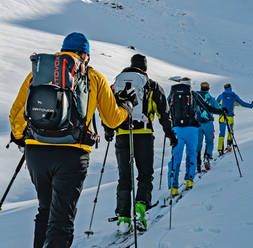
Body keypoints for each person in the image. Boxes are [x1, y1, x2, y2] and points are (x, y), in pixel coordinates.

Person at [8, 32, 135, 248]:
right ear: (86, 55)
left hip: (37, 153)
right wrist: (127, 107)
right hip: (72, 154)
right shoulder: (93, 77)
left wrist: (22, 138)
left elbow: (16, 113)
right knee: (62, 220)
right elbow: (112, 120)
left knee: (45, 210)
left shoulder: (38, 74)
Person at [104, 54, 177, 231]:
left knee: (124, 177)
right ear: (144, 67)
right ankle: (140, 211)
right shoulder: (151, 85)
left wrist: (108, 131)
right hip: (143, 134)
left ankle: (123, 218)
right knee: (145, 174)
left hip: (122, 134)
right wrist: (170, 134)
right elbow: (164, 114)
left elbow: (108, 108)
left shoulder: (117, 84)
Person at [168, 77, 224, 196]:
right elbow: (208, 108)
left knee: (175, 156)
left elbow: (166, 109)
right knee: (191, 154)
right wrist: (221, 111)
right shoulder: (193, 95)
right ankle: (189, 180)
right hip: (192, 129)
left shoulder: (172, 94)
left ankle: (173, 186)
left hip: (176, 129)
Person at [216, 83, 253, 156]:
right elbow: (242, 103)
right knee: (230, 131)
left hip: (222, 117)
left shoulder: (221, 96)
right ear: (230, 88)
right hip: (230, 117)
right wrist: (251, 105)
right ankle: (229, 145)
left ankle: (220, 149)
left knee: (222, 133)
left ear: (224, 88)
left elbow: (215, 104)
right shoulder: (234, 96)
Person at [195, 82, 219, 172]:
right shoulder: (211, 99)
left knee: (198, 144)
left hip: (197, 124)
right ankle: (207, 157)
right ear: (208, 89)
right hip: (208, 123)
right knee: (209, 142)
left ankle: (197, 163)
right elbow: (218, 109)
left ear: (201, 88)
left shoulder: (195, 97)